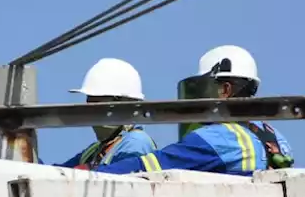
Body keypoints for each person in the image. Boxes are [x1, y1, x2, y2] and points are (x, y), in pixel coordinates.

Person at [93, 45, 293, 176]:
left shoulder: (218, 139)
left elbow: (153, 166)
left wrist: (91, 176)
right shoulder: (276, 138)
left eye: (203, 88)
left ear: (225, 90)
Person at [55, 58, 158, 171]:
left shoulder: (136, 142)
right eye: (89, 104)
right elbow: (59, 173)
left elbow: (122, 181)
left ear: (122, 103)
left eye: (96, 104)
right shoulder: (94, 151)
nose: (90, 111)